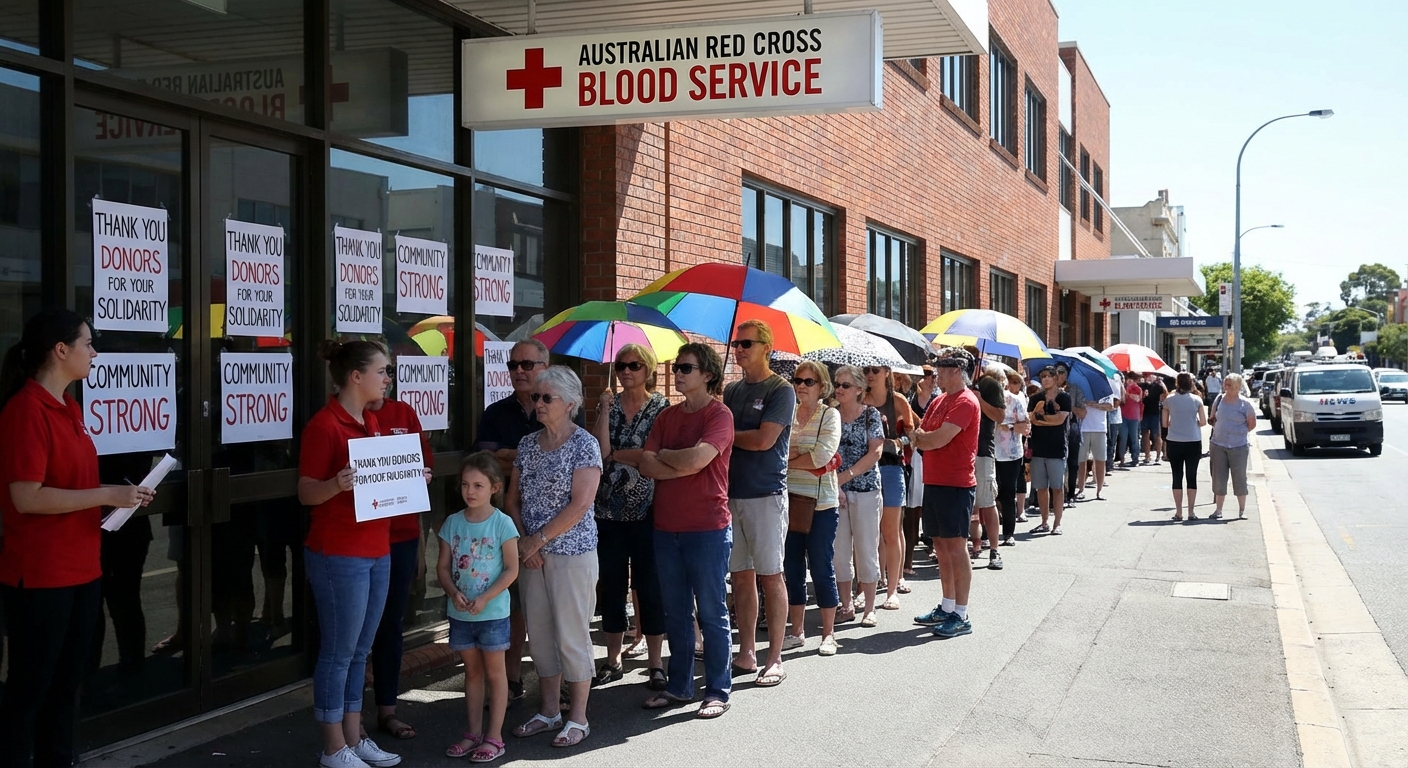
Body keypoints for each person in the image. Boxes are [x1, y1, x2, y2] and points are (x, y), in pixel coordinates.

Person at [0, 310, 155, 768]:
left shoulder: (71, 407)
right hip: (42, 573)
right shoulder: (26, 410)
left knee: (68, 685)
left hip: (83, 566)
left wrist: (118, 498)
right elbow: (26, 497)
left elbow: (74, 486)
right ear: (60, 350)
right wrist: (107, 493)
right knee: (31, 689)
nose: (95, 352)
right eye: (88, 343)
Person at [297, 340, 403, 768]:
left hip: (377, 549)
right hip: (338, 553)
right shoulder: (324, 426)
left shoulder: (372, 422)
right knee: (339, 653)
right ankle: (332, 746)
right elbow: (306, 492)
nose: (388, 378)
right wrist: (335, 485)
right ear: (356, 376)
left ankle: (354, 737)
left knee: (361, 651)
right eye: (383, 370)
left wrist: (409, 476)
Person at [473, 338, 580, 702]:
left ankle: (566, 686)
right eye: (513, 365)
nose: (519, 371)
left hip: (558, 540)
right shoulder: (496, 412)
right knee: (513, 604)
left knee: (560, 617)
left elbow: (574, 491)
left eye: (527, 365)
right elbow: (488, 464)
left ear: (544, 366)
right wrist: (522, 454)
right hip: (502, 523)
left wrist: (512, 454)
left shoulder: (568, 424)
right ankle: (513, 678)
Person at [506, 366, 602, 747]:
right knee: (541, 636)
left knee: (572, 635)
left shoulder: (585, 445)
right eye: (536, 397)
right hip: (532, 556)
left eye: (547, 398)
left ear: (571, 403)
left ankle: (578, 718)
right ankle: (548, 711)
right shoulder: (528, 444)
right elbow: (512, 499)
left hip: (571, 554)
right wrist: (525, 541)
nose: (538, 403)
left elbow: (581, 504)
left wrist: (538, 540)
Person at [638, 343, 735, 719]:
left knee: (711, 612)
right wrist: (679, 461)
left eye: (686, 368)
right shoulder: (667, 416)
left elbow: (699, 459)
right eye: (676, 367)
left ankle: (718, 690)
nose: (677, 373)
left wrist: (671, 458)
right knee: (675, 612)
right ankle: (680, 686)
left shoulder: (720, 415)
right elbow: (647, 464)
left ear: (707, 375)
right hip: (666, 527)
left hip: (707, 528)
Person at [722, 320, 795, 688]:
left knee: (770, 575)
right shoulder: (731, 390)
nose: (739, 348)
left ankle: (776, 657)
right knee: (740, 576)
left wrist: (723, 435)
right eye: (736, 343)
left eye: (747, 342)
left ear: (767, 347)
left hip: (766, 494)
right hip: (731, 492)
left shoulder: (781, 390)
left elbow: (765, 440)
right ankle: (747, 652)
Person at [590, 344, 668, 689]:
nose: (625, 371)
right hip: (608, 510)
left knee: (649, 586)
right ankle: (612, 658)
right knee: (612, 585)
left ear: (648, 369)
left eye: (634, 365)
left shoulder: (662, 408)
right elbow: (599, 452)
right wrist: (604, 410)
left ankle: (655, 662)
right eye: (621, 365)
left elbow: (654, 455)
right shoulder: (608, 404)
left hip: (650, 510)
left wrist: (620, 456)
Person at [439, 453, 519, 763]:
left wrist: (485, 597)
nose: (470, 492)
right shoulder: (452, 523)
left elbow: (512, 569)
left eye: (478, 485)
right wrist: (453, 591)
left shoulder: (503, 524)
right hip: (460, 613)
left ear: (495, 488)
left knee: (495, 674)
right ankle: (473, 733)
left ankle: (494, 737)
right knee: (471, 673)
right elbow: (444, 568)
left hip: (493, 614)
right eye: (465, 485)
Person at [367, 394, 433, 743]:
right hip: (360, 539)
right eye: (382, 371)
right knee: (358, 632)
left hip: (402, 537)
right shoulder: (342, 416)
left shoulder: (404, 413)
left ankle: (387, 710)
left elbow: (424, 471)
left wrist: (421, 544)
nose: (387, 379)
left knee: (391, 625)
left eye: (389, 371)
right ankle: (348, 719)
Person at [907, 349, 981, 638]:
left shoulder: (966, 400)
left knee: (955, 547)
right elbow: (920, 435)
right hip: (936, 481)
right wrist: (924, 439)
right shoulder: (940, 400)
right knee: (940, 545)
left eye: (941, 368)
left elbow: (936, 438)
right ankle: (948, 605)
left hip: (956, 483)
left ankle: (961, 613)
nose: (936, 372)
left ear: (955, 370)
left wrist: (924, 439)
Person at [782, 361, 842, 651]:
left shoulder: (829, 415)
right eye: (798, 380)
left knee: (821, 566)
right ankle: (796, 631)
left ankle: (828, 634)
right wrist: (796, 458)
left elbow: (820, 457)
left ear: (822, 387)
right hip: (789, 500)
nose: (801, 386)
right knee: (791, 566)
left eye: (808, 381)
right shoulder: (787, 413)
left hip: (821, 505)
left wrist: (788, 460)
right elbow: (776, 449)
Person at [831, 365, 883, 625]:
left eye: (845, 385)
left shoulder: (870, 415)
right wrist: (836, 483)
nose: (838, 389)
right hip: (835, 491)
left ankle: (870, 607)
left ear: (859, 390)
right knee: (839, 551)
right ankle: (846, 604)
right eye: (837, 384)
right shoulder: (830, 414)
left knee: (865, 548)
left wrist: (846, 476)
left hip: (865, 490)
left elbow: (875, 453)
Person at [860, 364, 915, 608]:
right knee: (865, 534)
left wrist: (899, 441)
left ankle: (892, 588)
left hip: (892, 467)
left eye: (874, 370)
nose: (870, 374)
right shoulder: (860, 398)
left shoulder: (898, 400)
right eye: (865, 370)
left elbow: (914, 435)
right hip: (866, 469)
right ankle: (865, 588)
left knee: (891, 532)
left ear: (886, 372)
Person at [1027, 365, 1073, 536]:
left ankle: (1057, 523)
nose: (1045, 379)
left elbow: (1059, 420)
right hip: (1038, 447)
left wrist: (1042, 418)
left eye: (1048, 376)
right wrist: (1043, 418)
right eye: (1043, 376)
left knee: (1058, 487)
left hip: (1057, 448)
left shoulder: (1064, 397)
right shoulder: (1035, 398)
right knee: (1041, 487)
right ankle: (1044, 522)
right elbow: (1032, 419)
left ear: (1055, 378)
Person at [970, 363, 1007, 570]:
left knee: (986, 501)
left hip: (983, 451)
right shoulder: (958, 387)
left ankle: (994, 549)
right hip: (960, 452)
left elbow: (1000, 416)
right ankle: (970, 544)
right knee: (964, 504)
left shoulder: (989, 385)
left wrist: (979, 399)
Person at [1208, 372, 1257, 520]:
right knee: (1219, 478)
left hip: (1239, 446)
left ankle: (1242, 511)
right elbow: (1212, 418)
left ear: (1237, 387)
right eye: (1225, 383)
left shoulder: (1245, 404)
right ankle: (1218, 510)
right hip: (1218, 444)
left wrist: (1237, 433)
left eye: (1229, 384)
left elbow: (1251, 424)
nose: (1226, 386)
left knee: (1239, 478)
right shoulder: (1219, 399)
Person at [902, 365, 936, 575]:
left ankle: (933, 544)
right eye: (925, 375)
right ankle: (908, 559)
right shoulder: (908, 398)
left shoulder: (938, 399)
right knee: (912, 508)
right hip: (912, 457)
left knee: (929, 504)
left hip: (929, 455)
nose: (930, 379)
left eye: (932, 375)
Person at [1163, 372, 1208, 522]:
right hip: (1193, 441)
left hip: (1174, 441)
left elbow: (1164, 423)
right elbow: (1203, 422)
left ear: (1177, 383)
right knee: (1191, 476)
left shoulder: (1169, 400)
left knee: (1177, 476)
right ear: (1191, 384)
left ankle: (1178, 512)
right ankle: (1191, 512)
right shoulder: (1197, 400)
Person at [995, 370, 1030, 548]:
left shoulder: (1014, 400)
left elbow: (1026, 427)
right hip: (989, 452)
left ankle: (1008, 533)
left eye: (1000, 381)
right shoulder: (984, 401)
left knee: (1008, 493)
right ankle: (987, 534)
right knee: (990, 495)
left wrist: (1007, 426)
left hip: (1010, 453)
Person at [1077, 391, 1115, 501]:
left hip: (1100, 428)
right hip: (1083, 428)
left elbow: (1110, 406)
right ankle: (1080, 489)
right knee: (1081, 460)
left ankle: (1099, 490)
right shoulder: (1082, 389)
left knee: (1100, 460)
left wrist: (1094, 404)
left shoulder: (1105, 389)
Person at [1140, 373, 1168, 466]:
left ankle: (1158, 456)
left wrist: (1162, 384)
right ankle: (1147, 456)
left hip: (1155, 413)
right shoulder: (1143, 385)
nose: (1149, 377)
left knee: (1157, 435)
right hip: (1144, 413)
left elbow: (1165, 394)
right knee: (1145, 434)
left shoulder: (1157, 386)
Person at [1118, 372, 1144, 467]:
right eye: (1128, 379)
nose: (1129, 381)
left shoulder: (1137, 388)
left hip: (1134, 416)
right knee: (1123, 438)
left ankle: (1135, 458)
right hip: (1124, 415)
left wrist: (1127, 393)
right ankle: (1122, 458)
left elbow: (1138, 399)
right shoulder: (1123, 388)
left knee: (1134, 438)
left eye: (1131, 379)